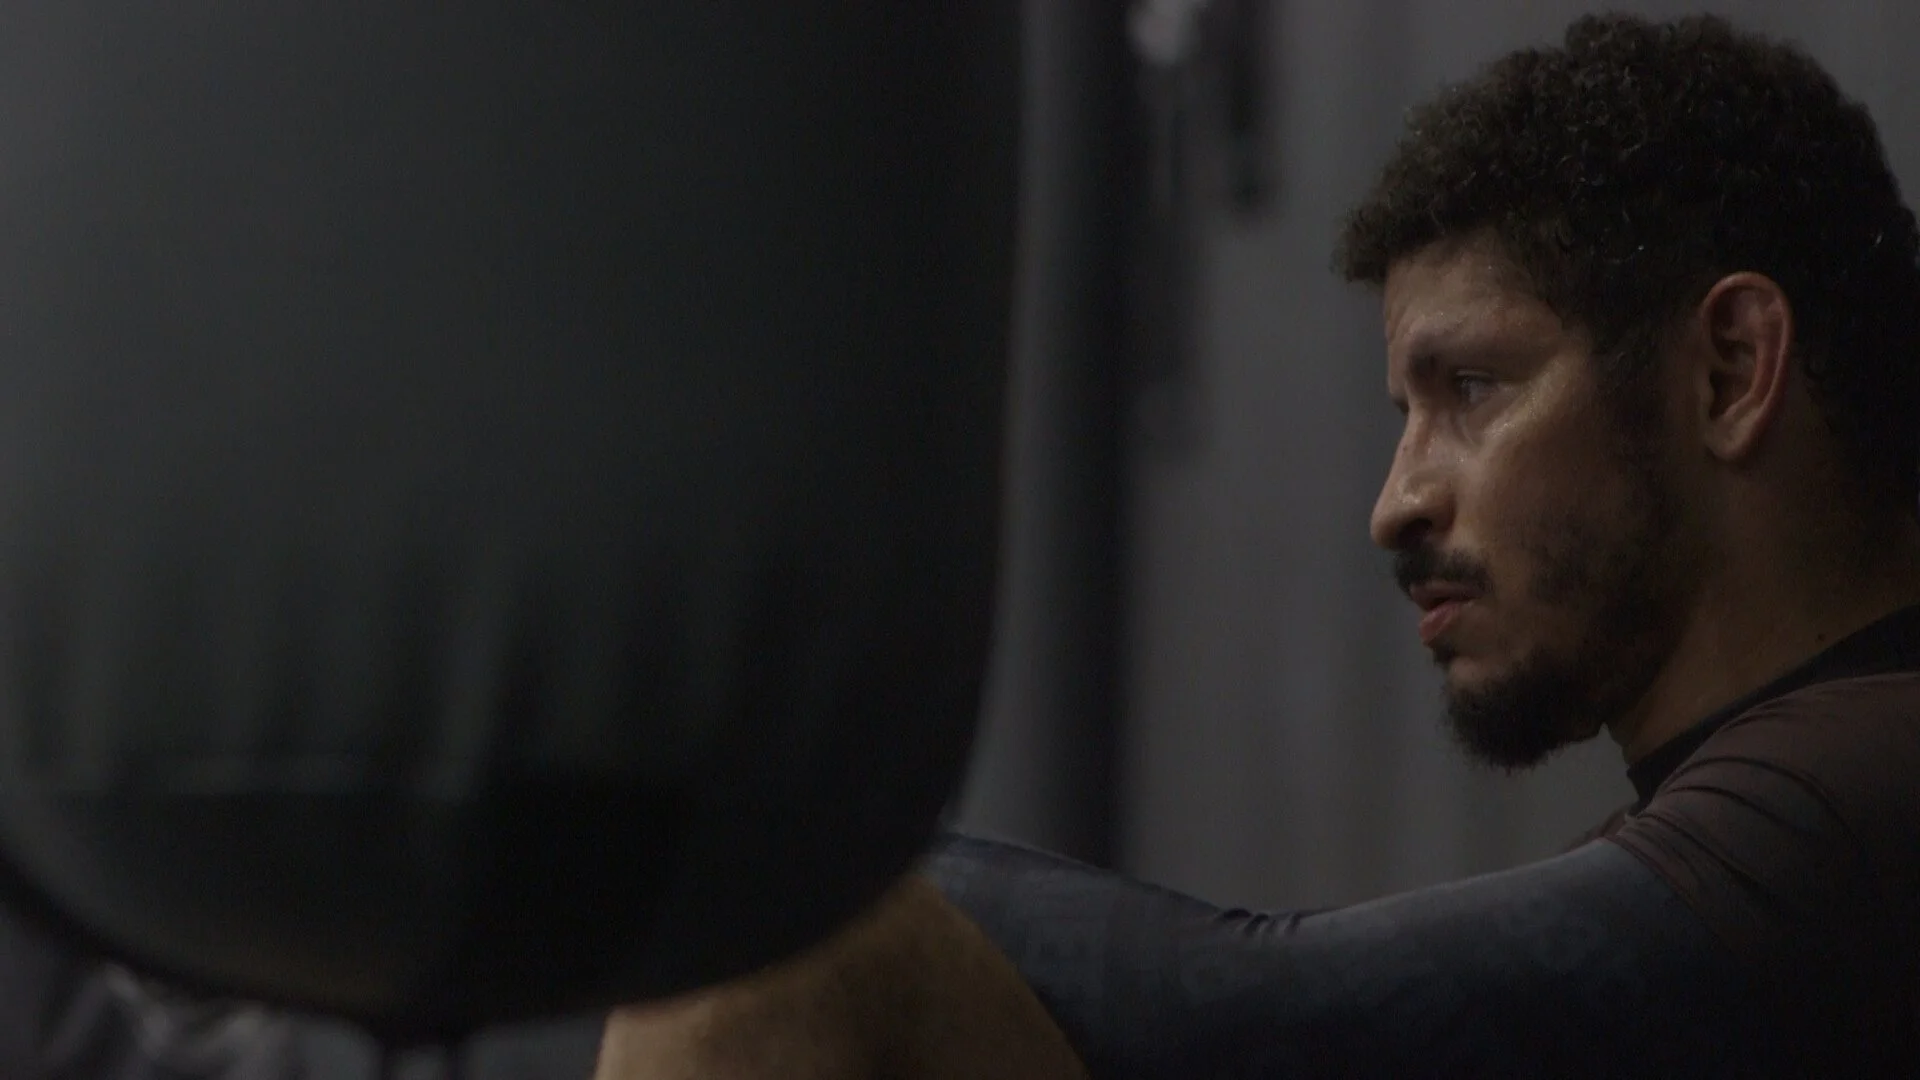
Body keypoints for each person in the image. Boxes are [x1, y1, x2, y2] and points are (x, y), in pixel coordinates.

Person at [599, 13, 1920, 1078]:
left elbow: (1245, 1011)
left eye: (1472, 389)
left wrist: (740, 844)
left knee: (793, 939)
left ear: (1731, 369)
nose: (1397, 502)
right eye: (1406, 414)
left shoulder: (1869, 789)